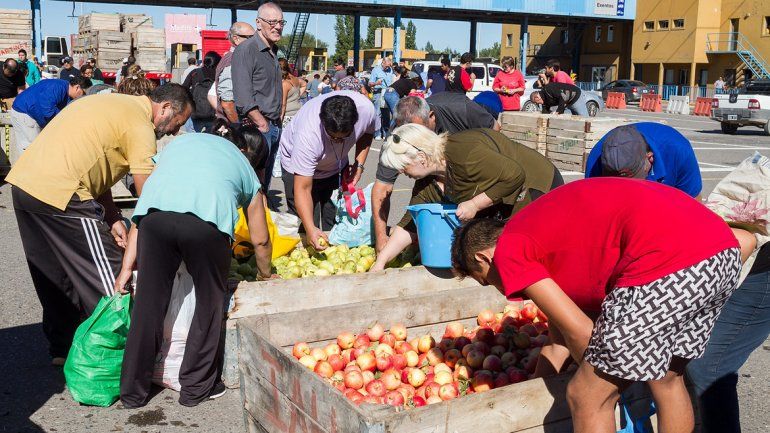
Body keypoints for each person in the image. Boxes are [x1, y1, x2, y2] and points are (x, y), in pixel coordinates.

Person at [449, 178, 752, 433]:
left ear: (484, 258)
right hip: (719, 251)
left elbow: (582, 334)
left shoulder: (510, 249)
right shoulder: (542, 236)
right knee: (667, 379)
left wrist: (600, 381)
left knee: (585, 395)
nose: (501, 291)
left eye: (486, 281)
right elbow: (559, 340)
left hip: (665, 261)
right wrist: (531, 390)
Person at [6, 84, 193, 365]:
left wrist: (113, 215)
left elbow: (95, 164)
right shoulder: (140, 125)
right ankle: (130, 359)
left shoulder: (111, 105)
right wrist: (162, 242)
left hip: (26, 187)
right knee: (112, 276)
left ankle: (64, 348)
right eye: (176, 123)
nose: (172, 131)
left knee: (55, 276)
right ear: (165, 108)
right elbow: (148, 195)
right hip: (64, 193)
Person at [117, 120, 272, 408]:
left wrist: (127, 266)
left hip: (154, 219)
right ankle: (196, 388)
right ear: (242, 148)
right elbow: (260, 239)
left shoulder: (178, 145)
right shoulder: (244, 166)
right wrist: (265, 274)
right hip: (205, 225)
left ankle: (131, 392)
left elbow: (142, 207)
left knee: (149, 303)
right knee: (208, 303)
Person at [372, 124, 562, 271]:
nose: (402, 173)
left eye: (403, 167)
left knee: (532, 250)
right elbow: (411, 224)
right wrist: (380, 263)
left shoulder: (464, 153)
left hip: (537, 187)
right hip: (506, 198)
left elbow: (514, 175)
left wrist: (474, 204)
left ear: (421, 157)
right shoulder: (427, 183)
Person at [371, 93, 501, 251]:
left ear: (431, 117)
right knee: (424, 197)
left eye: (418, 131)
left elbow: (495, 131)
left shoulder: (461, 109)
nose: (413, 141)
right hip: (434, 174)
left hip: (475, 171)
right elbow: (382, 188)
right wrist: (381, 238)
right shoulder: (398, 138)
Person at [279, 92, 375, 249]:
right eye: (334, 138)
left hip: (336, 167)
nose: (338, 142)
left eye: (344, 137)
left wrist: (359, 164)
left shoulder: (366, 110)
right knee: (307, 223)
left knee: (336, 217)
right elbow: (302, 189)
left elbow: (368, 132)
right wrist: (311, 229)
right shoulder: (308, 136)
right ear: (323, 123)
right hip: (298, 169)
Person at [233, 1, 284, 192]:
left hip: (273, 125)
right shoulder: (247, 49)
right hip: (258, 127)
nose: (277, 27)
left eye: (281, 22)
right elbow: (243, 95)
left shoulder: (272, 51)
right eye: (272, 22)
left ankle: (263, 218)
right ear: (258, 22)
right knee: (254, 186)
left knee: (265, 183)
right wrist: (262, 123)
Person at [585, 123, 702, 199]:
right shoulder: (596, 160)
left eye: (631, 182)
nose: (627, 193)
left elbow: (694, 207)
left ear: (650, 159)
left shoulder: (678, 151)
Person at [10, 76, 91, 152]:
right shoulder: (57, 87)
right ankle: (28, 166)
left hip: (27, 112)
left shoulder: (66, 91)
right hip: (25, 112)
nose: (83, 97)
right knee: (32, 148)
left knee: (30, 147)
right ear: (77, 87)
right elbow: (47, 110)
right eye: (84, 93)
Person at [208, 21, 255, 124]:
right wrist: (238, 126)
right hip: (237, 128)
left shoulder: (238, 59)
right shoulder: (233, 62)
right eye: (251, 38)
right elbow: (227, 104)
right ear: (236, 39)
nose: (256, 41)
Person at [183, 51, 221, 132]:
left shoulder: (195, 72)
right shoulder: (218, 75)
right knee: (209, 140)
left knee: (193, 139)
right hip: (212, 114)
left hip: (196, 113)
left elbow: (184, 88)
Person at [370, 57, 394, 139]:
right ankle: (377, 133)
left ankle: (386, 132)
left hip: (387, 92)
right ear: (383, 62)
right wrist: (376, 83)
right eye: (387, 66)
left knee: (386, 113)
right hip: (378, 93)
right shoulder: (375, 70)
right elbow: (370, 83)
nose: (388, 68)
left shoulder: (390, 70)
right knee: (378, 113)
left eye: (389, 66)